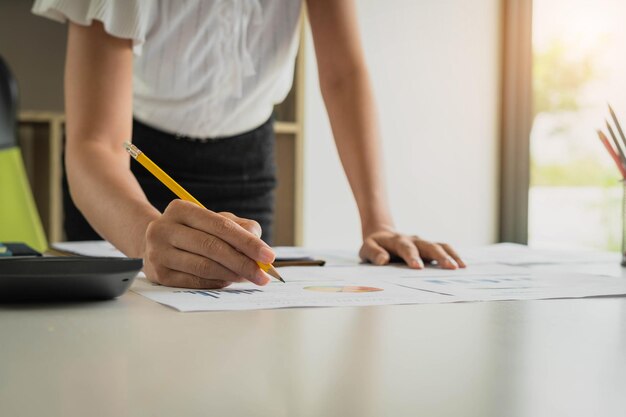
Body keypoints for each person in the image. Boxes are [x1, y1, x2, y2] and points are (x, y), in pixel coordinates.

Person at [33, 0, 466, 289]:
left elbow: (343, 77)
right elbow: (96, 143)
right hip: (127, 174)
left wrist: (379, 224)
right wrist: (145, 237)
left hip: (245, 160)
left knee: (244, 338)